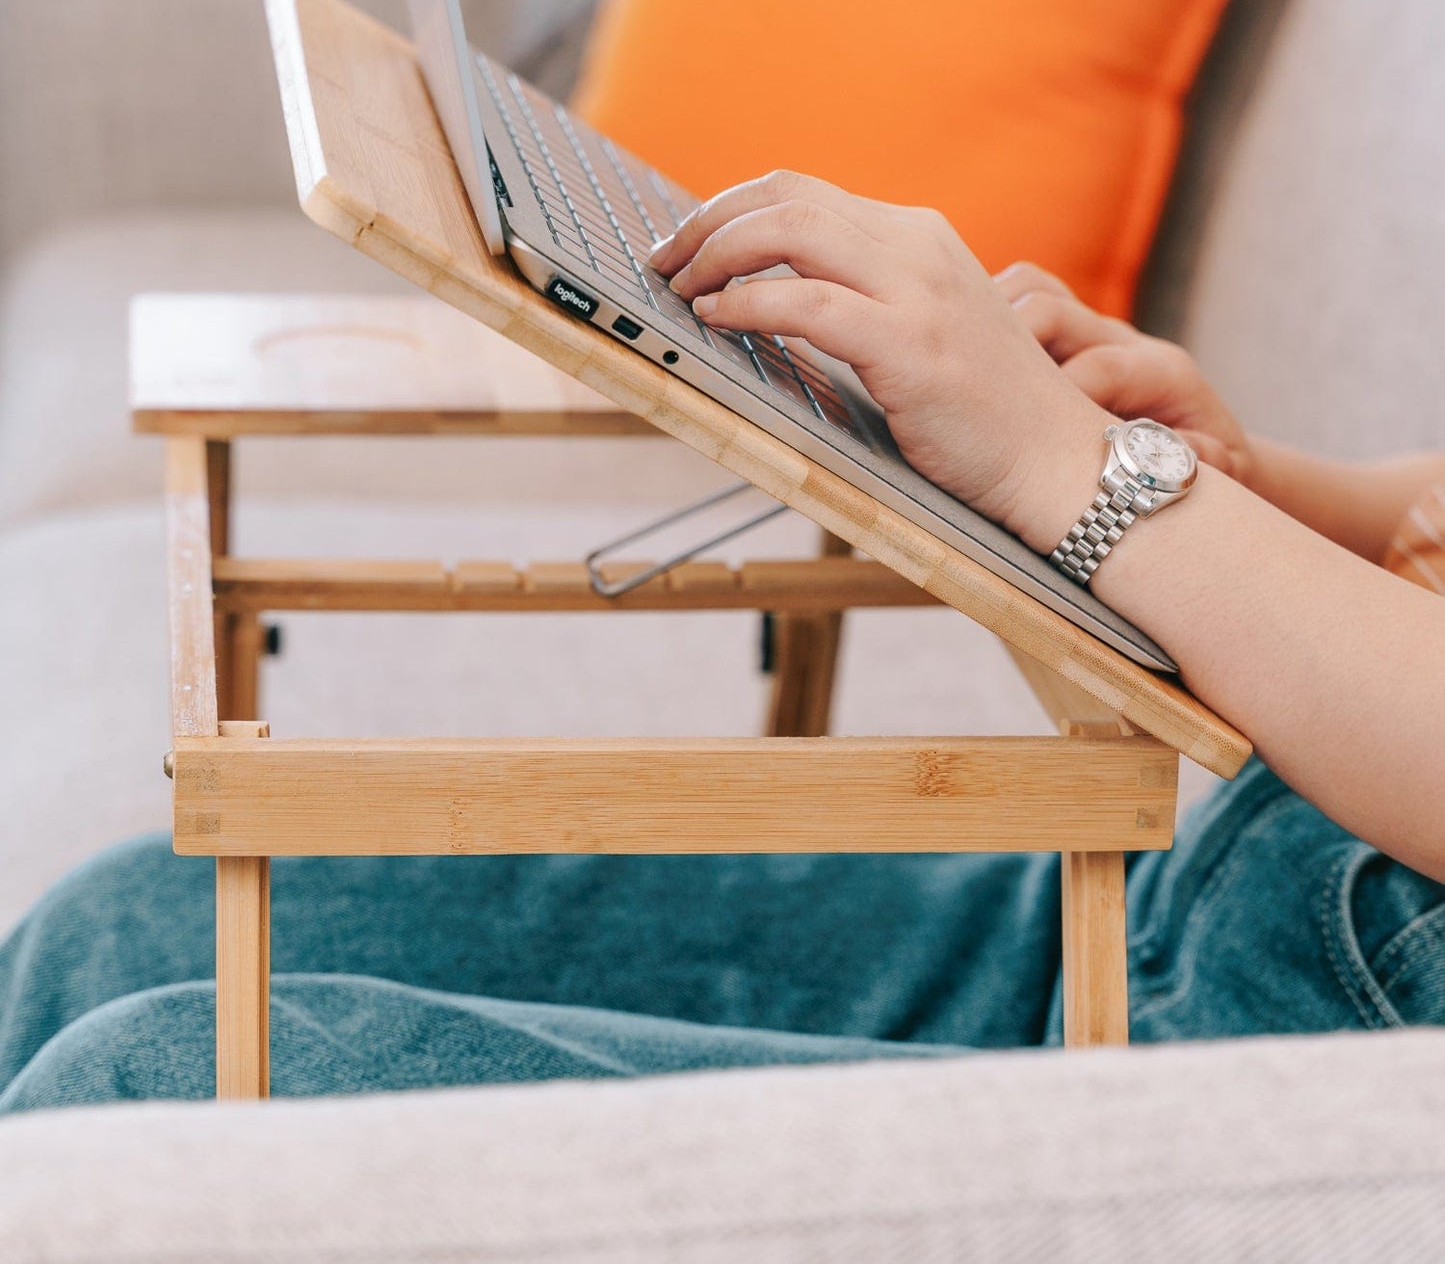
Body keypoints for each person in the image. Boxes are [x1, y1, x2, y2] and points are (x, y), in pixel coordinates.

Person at [2, 173, 1442, 1113]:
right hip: (1229, 883)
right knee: (118, 928)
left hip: (1301, 1076)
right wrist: (1212, 477)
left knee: (145, 1090)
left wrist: (1069, 469)